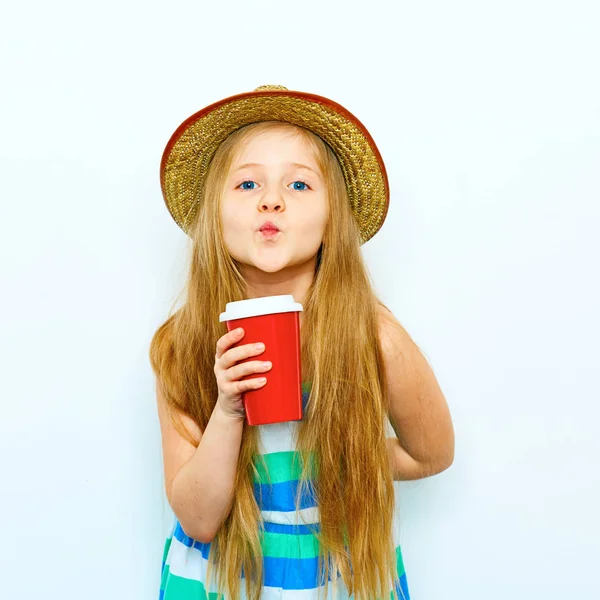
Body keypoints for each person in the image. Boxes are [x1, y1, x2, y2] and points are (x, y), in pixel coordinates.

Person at [149, 85, 455, 600]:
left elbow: (432, 454)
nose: (271, 199)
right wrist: (227, 411)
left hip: (336, 580)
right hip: (221, 581)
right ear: (213, 215)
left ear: (333, 218)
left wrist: (344, 454)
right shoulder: (183, 346)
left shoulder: (373, 336)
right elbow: (199, 519)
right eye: (247, 184)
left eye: (299, 184)